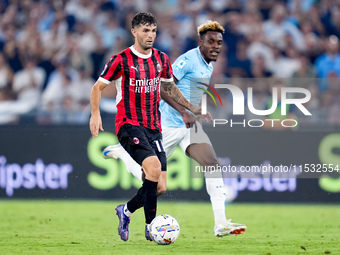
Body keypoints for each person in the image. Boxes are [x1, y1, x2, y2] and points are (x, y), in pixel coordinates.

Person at [103, 20, 247, 238]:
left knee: (212, 163)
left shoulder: (209, 63)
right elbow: (161, 86)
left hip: (188, 125)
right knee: (157, 186)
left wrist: (195, 111)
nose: (216, 46)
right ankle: (124, 155)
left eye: (219, 42)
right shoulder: (188, 60)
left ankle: (220, 223)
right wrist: (183, 111)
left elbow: (189, 91)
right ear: (201, 42)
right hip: (166, 124)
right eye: (211, 42)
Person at [89, 12, 205, 242]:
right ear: (134, 32)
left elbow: (169, 88)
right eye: (145, 31)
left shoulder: (161, 59)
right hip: (128, 124)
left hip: (154, 127)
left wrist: (191, 107)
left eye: (153, 31)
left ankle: (126, 211)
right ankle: (152, 227)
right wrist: (95, 114)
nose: (150, 35)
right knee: (152, 167)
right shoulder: (120, 60)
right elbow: (97, 88)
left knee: (159, 185)